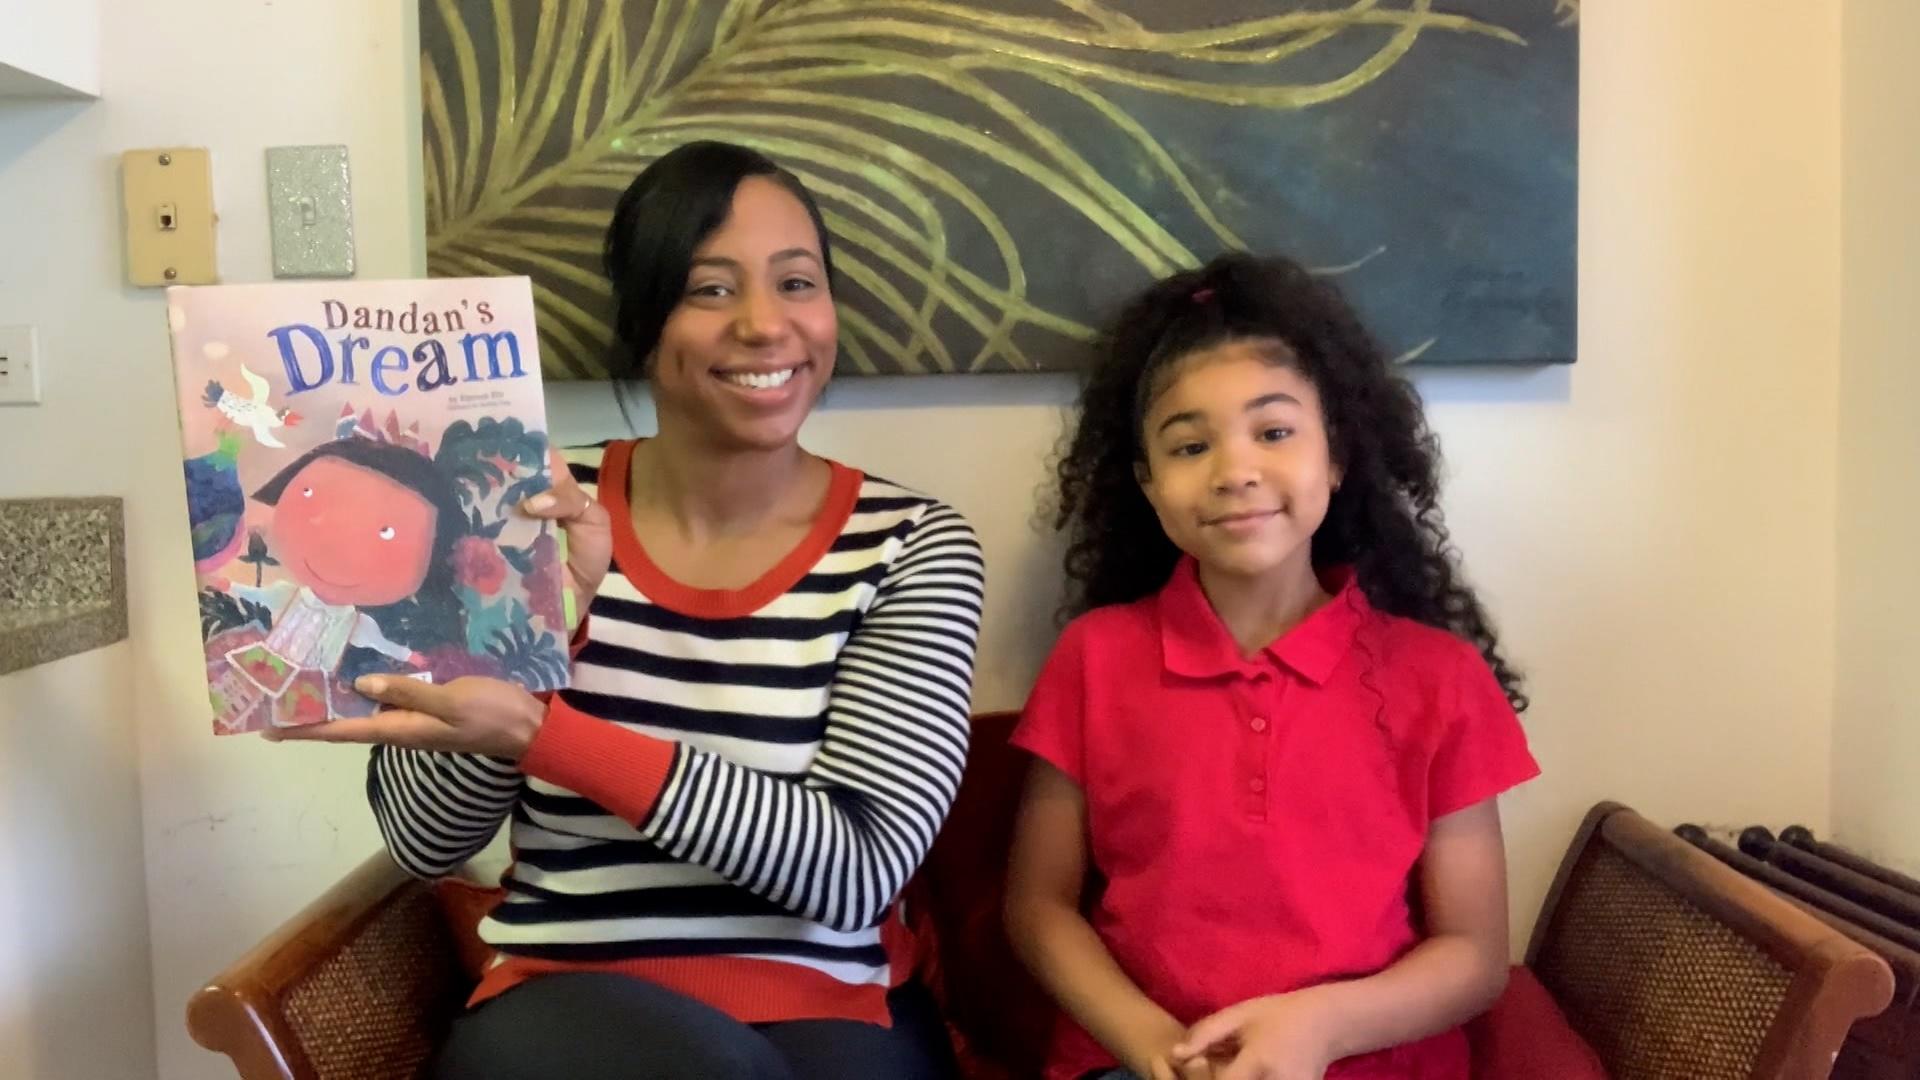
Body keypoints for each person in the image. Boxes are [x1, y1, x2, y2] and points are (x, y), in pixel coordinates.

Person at [274, 140, 986, 1080]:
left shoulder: (912, 543)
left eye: (797, 283)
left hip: (832, 1014)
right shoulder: (520, 506)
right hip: (565, 1007)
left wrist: (546, 734)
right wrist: (540, 629)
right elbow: (426, 839)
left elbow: (854, 871)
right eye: (711, 289)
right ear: (647, 321)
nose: (766, 326)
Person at [1003, 253, 1539, 1080]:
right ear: (1147, 481)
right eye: (1189, 445)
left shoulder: (1440, 678)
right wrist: (1157, 1047)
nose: (1235, 470)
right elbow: (1038, 909)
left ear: (1337, 457)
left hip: (1369, 1063)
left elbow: (1473, 952)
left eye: (1274, 431)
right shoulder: (1095, 659)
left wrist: (1316, 1029)